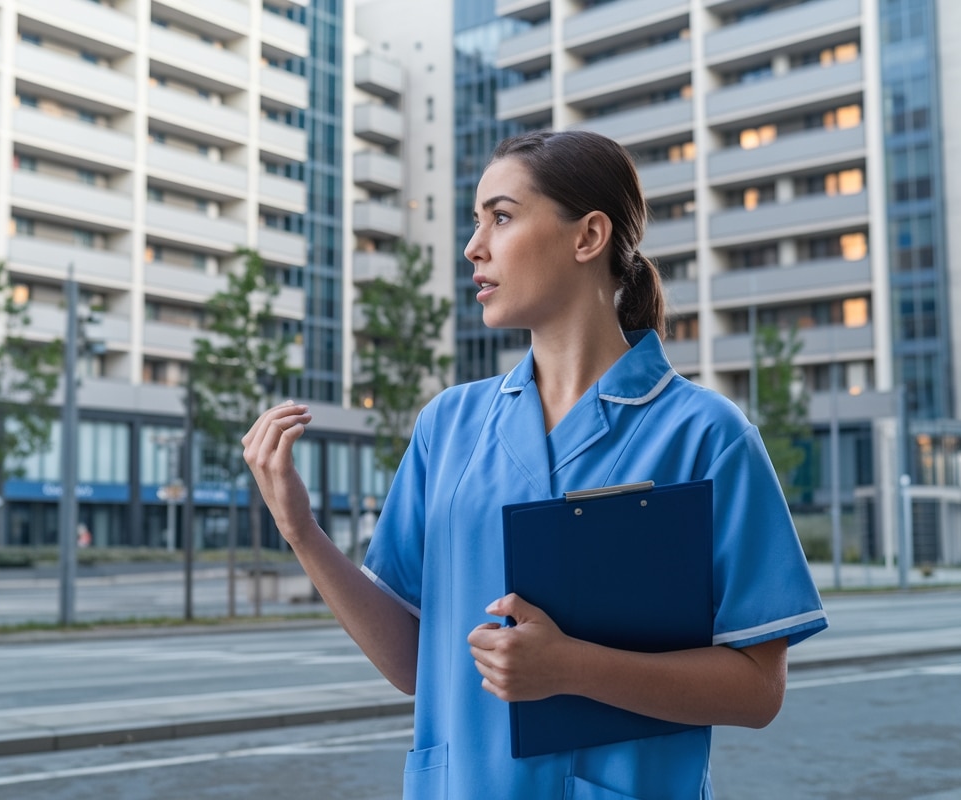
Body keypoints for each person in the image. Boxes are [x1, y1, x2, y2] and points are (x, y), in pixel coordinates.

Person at [243, 129, 827, 799]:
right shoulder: (447, 426)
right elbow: (413, 663)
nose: (474, 247)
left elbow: (757, 690)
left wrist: (573, 668)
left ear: (588, 237)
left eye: (501, 216)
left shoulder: (707, 435)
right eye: (476, 221)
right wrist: (301, 531)